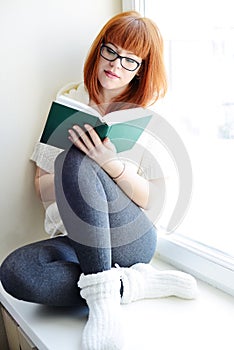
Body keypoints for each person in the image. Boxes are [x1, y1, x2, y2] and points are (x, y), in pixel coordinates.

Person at [0, 11, 198, 350]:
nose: (116, 64)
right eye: (111, 51)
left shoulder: (145, 116)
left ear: (142, 69)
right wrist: (71, 170)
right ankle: (131, 285)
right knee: (16, 272)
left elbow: (153, 199)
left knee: (79, 159)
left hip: (130, 237)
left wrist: (108, 165)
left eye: (130, 60)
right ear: (99, 50)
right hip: (77, 240)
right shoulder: (70, 102)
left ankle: (104, 301)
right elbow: (40, 187)